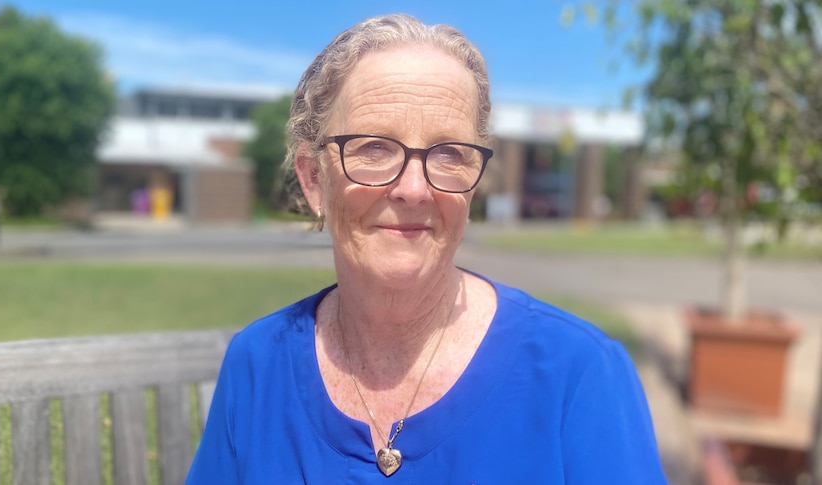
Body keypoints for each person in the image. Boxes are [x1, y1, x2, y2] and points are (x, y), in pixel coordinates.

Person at [186, 14, 666, 483]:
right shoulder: (256, 366)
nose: (414, 189)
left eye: (450, 154)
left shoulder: (578, 375)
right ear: (315, 180)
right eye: (374, 148)